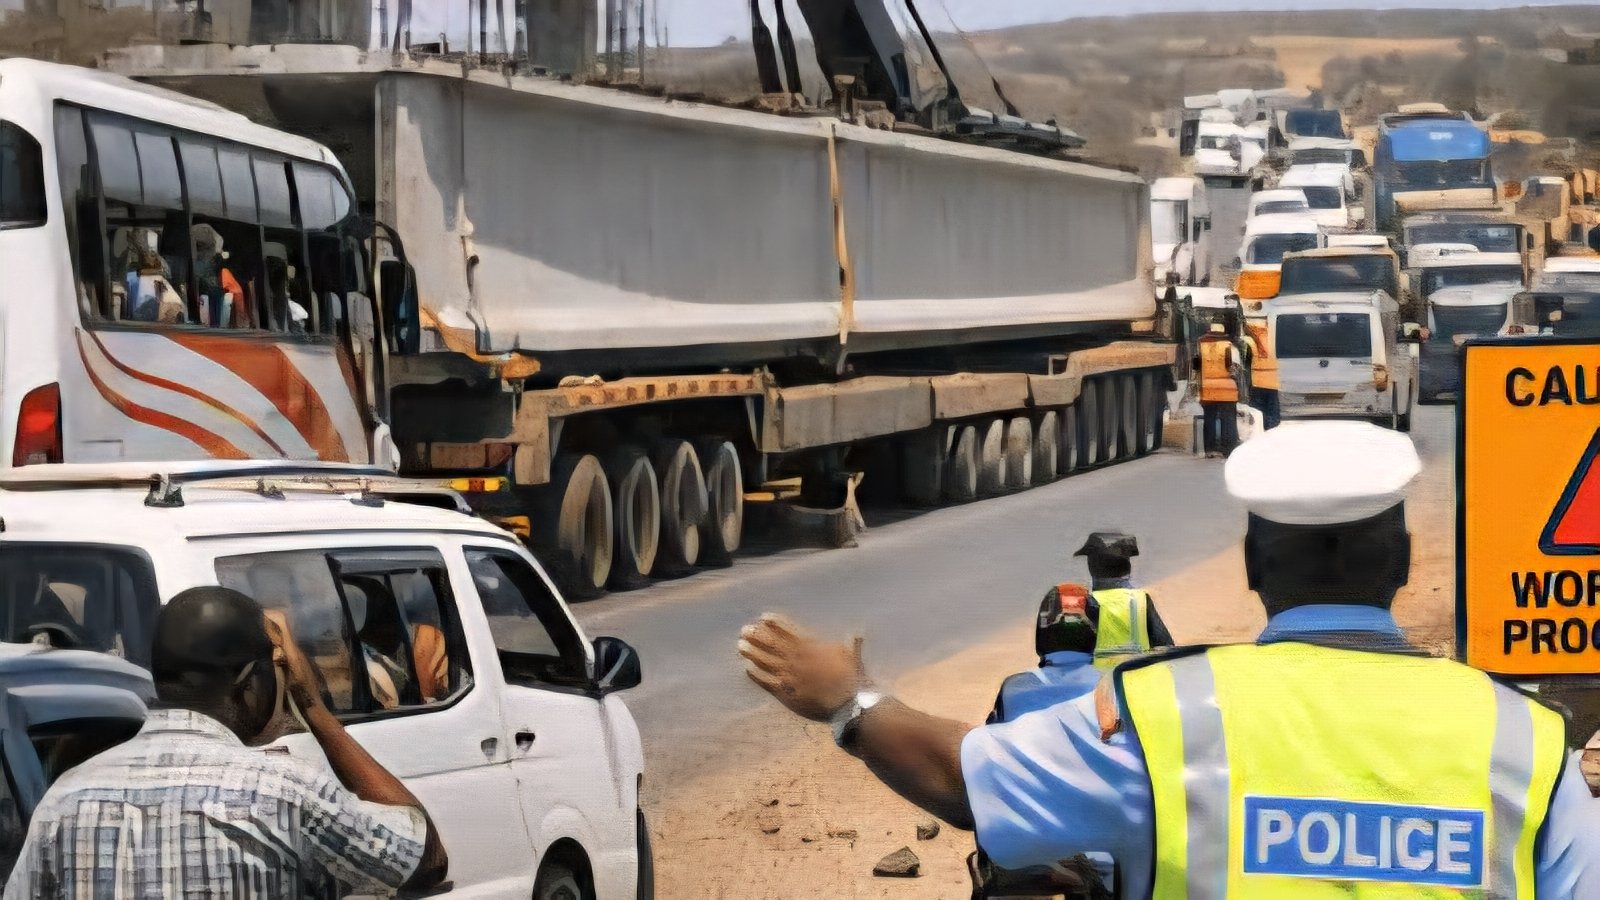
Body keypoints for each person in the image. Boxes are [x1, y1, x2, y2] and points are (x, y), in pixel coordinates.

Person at [738, 421, 1600, 897]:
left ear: (1256, 569)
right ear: (1405, 563)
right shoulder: (1524, 740)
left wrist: (848, 701)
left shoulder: (1167, 719)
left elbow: (967, 782)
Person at [4, 587, 449, 898]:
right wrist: (313, 707)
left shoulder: (64, 799)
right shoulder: (285, 792)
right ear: (250, 684)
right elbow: (425, 862)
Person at [990, 533, 1173, 725]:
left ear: (1092, 568)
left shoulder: (1083, 606)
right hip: (1132, 691)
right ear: (1127, 567)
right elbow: (1166, 647)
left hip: (1088, 695)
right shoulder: (1140, 601)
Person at [1196, 317, 1242, 457]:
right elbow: (1236, 368)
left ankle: (1209, 449)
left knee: (1209, 419)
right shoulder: (1229, 346)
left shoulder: (1200, 346)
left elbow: (1195, 367)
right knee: (1227, 420)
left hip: (1207, 389)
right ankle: (1228, 449)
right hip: (1227, 389)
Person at [1244, 312, 1280, 429]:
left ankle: (1261, 434)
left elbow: (1246, 362)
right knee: (1272, 413)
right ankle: (1272, 435)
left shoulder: (1249, 339)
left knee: (1258, 413)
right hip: (1273, 381)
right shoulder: (1274, 336)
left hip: (1257, 381)